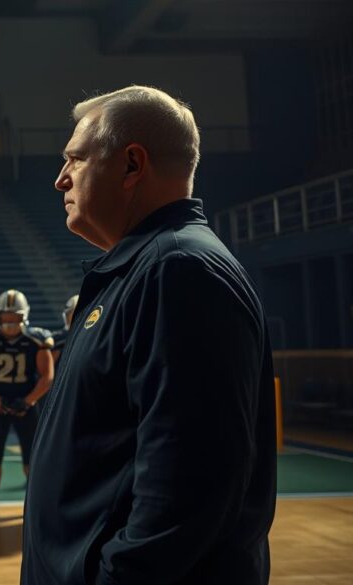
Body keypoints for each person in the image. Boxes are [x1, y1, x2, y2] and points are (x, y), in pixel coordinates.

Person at [22, 85, 276, 584]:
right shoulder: (149, 267)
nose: (60, 180)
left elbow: (188, 486)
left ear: (132, 165)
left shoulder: (179, 270)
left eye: (75, 158)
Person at [0, 290, 54, 525]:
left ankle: (37, 509)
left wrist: (28, 400)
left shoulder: (36, 339)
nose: (10, 322)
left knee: (33, 460)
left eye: (15, 317)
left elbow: (47, 376)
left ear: (24, 316)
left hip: (27, 405)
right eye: (6, 316)